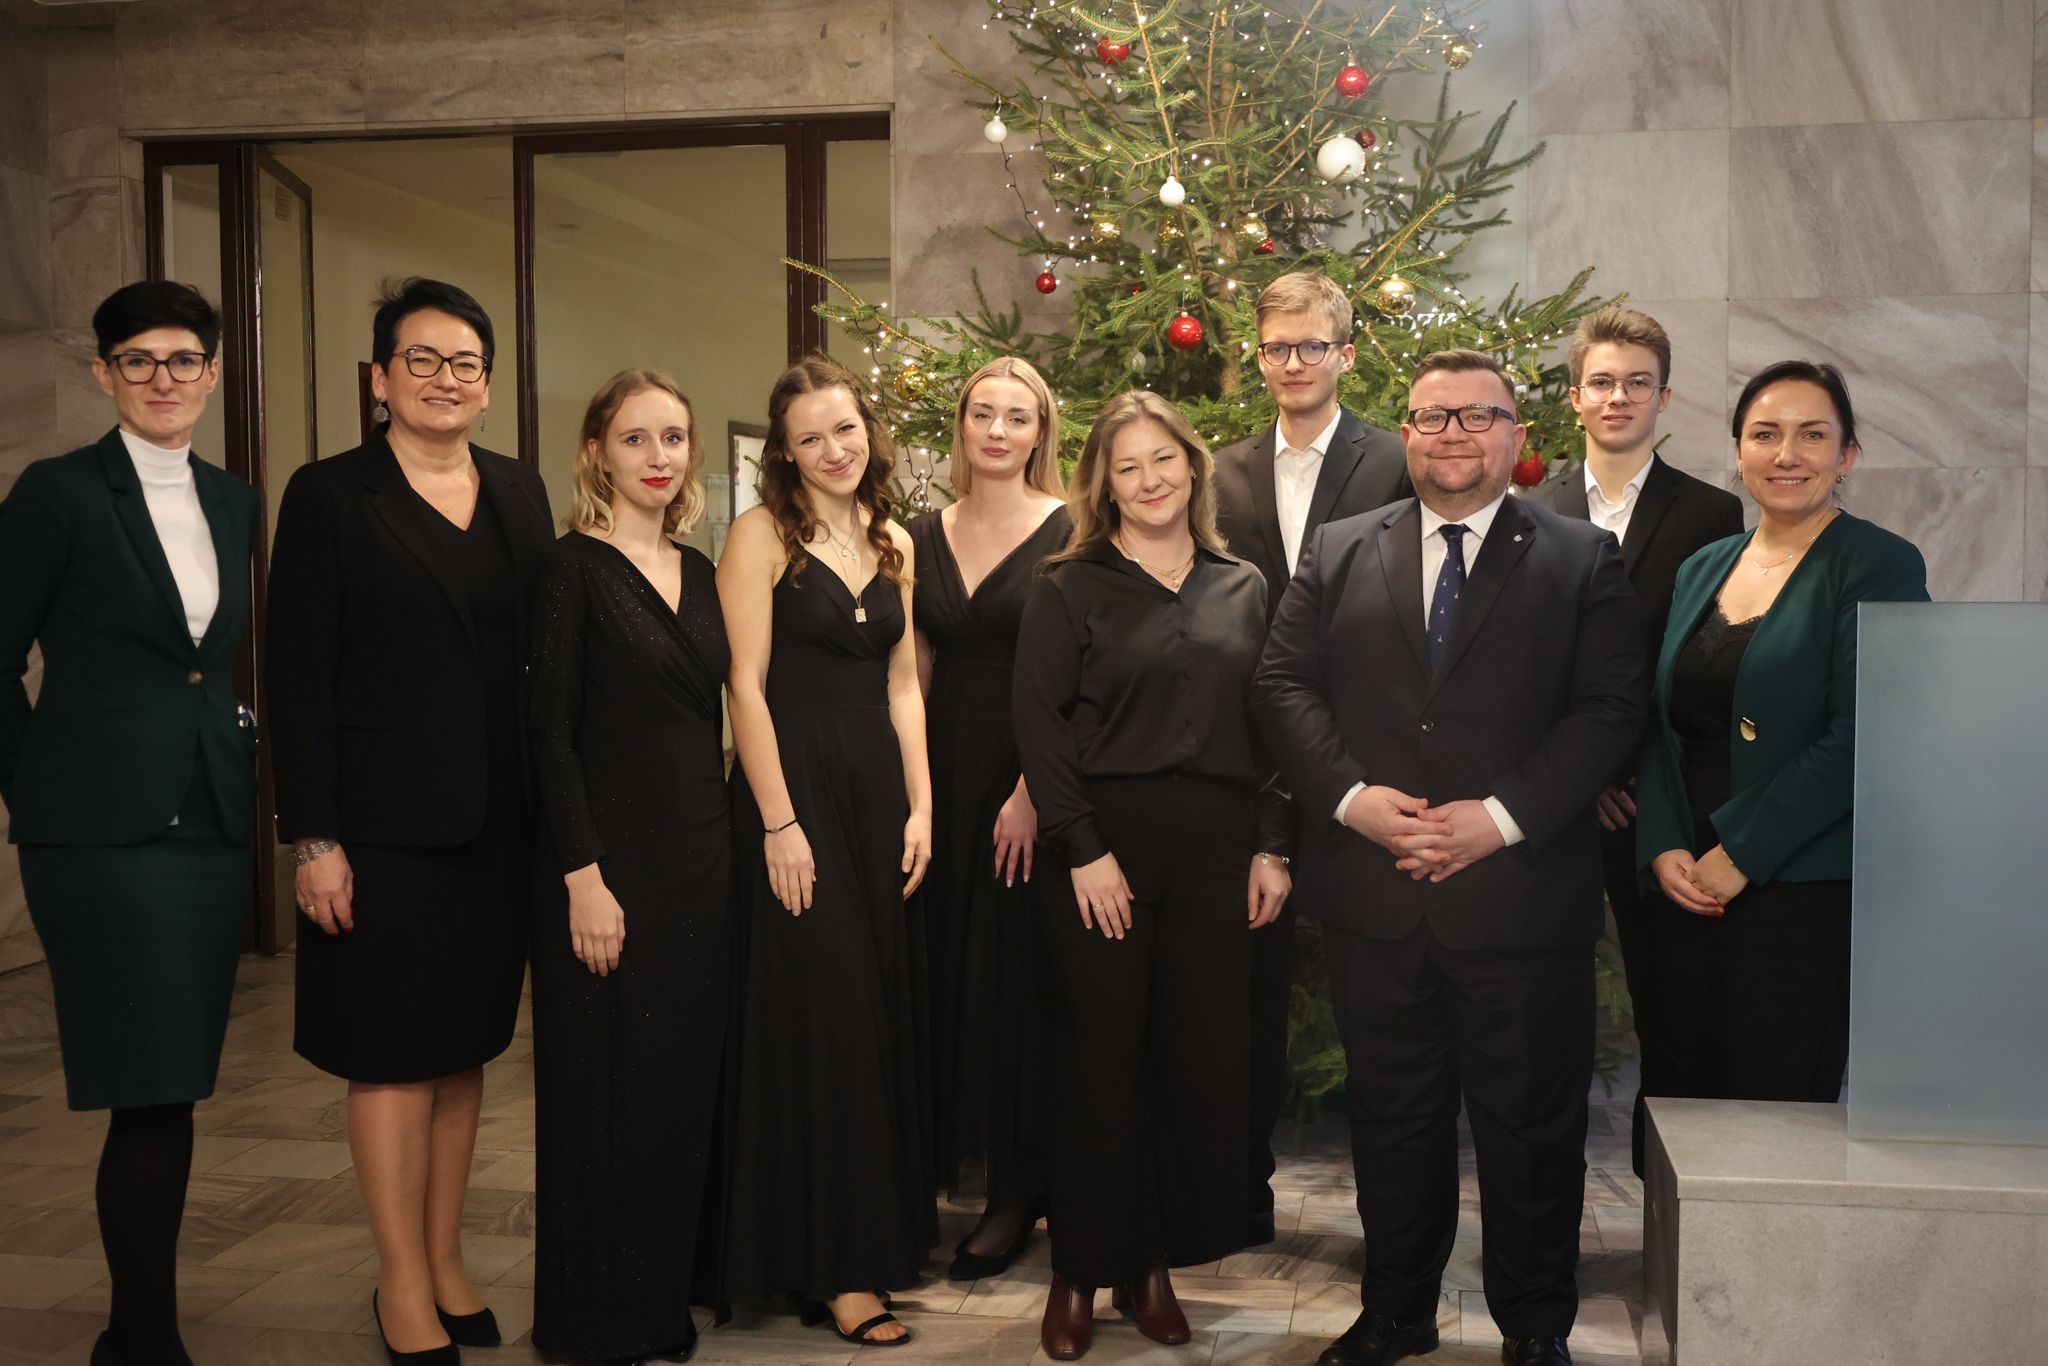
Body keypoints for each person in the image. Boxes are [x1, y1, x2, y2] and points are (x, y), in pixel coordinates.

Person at [1254, 349, 1646, 1366]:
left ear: (1516, 434)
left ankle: (1534, 1326)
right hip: (1377, 896)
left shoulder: (1579, 557)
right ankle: (1396, 1312)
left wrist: (1500, 818)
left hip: (1521, 897)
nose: (1453, 435)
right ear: (1406, 434)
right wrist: (1352, 801)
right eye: (1432, 418)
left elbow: (1609, 709)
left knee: (1532, 1132)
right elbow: (1281, 685)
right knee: (1391, 1123)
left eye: (1479, 416)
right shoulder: (1339, 548)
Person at [266, 278, 554, 1363]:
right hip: (379, 833)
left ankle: (445, 1260)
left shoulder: (519, 490)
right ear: (380, 379)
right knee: (390, 1055)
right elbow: (297, 675)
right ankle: (399, 1281)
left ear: (487, 383)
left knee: (463, 1048)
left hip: (498, 827)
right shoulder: (331, 495)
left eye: (465, 363)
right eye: (421, 360)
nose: (446, 379)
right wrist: (314, 838)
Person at [0, 281, 259, 1366]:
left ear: (211, 373)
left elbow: (211, 663)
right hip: (99, 839)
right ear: (103, 373)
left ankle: (139, 1329)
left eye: (184, 359)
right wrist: (37, 786)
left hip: (208, 828)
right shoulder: (57, 493)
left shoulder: (236, 500)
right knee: (147, 1085)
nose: (164, 378)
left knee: (174, 1085)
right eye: (139, 360)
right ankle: (143, 1336)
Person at [1014, 390, 1295, 1361]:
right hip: (1104, 848)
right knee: (1099, 1065)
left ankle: (1150, 1267)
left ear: (1192, 466)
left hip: (1216, 853)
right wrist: (1082, 848)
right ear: (1103, 483)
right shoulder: (1066, 585)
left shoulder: (1241, 584)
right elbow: (1038, 724)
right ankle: (1075, 1271)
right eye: (1126, 467)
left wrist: (1272, 844)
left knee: (1189, 1066)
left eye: (1162, 460)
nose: (1148, 481)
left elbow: (1271, 724)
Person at [1635, 361, 1927, 1113]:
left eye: (1812, 435)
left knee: (1773, 1101)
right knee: (1679, 1093)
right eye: (1765, 434)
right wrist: (1663, 845)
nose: (1786, 454)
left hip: (1797, 885)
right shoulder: (1703, 567)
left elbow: (1865, 734)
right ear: (1739, 450)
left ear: (1846, 454)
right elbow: (1659, 722)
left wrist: (1741, 853)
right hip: (1683, 878)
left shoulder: (1879, 563)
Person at [716, 355, 935, 1347]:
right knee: (826, 1022)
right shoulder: (760, 534)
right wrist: (778, 822)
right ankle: (837, 1269)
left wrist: (922, 806)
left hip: (877, 800)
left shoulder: (894, 537)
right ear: (786, 452)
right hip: (793, 797)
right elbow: (745, 684)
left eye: (844, 428)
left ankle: (861, 1244)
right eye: (810, 437)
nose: (832, 449)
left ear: (867, 432)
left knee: (874, 1015)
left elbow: (903, 685)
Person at [527, 371, 731, 1363]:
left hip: (702, 860)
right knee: (606, 1091)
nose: (659, 456)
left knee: (680, 1086)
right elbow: (548, 734)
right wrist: (583, 876)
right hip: (608, 871)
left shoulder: (701, 570)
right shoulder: (570, 569)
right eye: (637, 437)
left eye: (674, 437)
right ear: (597, 452)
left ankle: (669, 1291)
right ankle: (602, 1317)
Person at [1211, 271, 1411, 1243]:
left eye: (1310, 346)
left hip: (1357, 759)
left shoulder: (1395, 460)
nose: (1292, 362)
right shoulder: (1218, 473)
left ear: (1345, 352)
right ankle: (1237, 1196)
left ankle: (1393, 1230)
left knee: (1378, 1009)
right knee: (1241, 999)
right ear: (1258, 357)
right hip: (1245, 759)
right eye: (1275, 347)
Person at [1523, 306, 1743, 1177]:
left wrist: (1629, 773)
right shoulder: (1528, 509)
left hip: (1658, 798)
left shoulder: (1712, 512)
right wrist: (1575, 776)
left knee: (1672, 1003)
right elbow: (1521, 667)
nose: (1619, 397)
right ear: (1575, 397)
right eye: (1603, 382)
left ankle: (1670, 1195)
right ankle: (1546, 1186)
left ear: (1664, 397)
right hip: (1557, 803)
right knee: (1545, 1008)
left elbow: (1702, 659)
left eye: (1637, 383)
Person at [909, 357, 1069, 1279]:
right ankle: (936, 1179)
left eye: (1017, 416)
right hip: (941, 773)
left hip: (1027, 780)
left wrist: (1032, 791)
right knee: (943, 973)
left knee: (1016, 989)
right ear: (963, 425)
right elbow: (914, 671)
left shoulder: (1072, 531)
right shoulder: (920, 534)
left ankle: (1017, 1195)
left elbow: (1082, 674)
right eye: (983, 414)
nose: (998, 431)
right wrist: (913, 795)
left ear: (1041, 431)